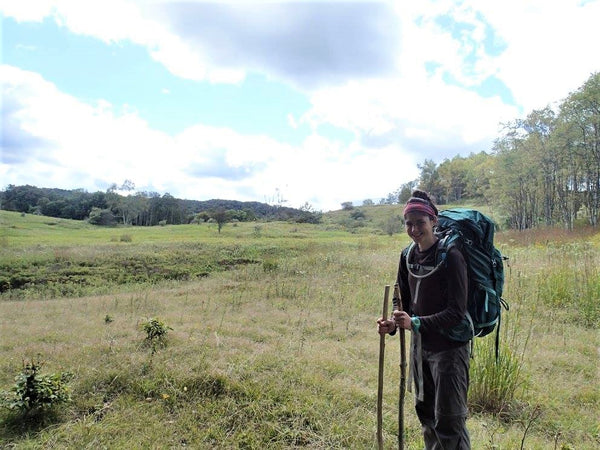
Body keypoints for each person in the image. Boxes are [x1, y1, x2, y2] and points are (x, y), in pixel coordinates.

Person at [377, 190, 471, 449]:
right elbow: (401, 300)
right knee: (427, 416)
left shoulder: (451, 256)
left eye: (420, 222)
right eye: (409, 223)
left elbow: (457, 313)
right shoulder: (407, 255)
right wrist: (394, 324)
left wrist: (415, 323)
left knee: (450, 422)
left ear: (433, 221)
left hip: (449, 350)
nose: (414, 229)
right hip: (421, 349)